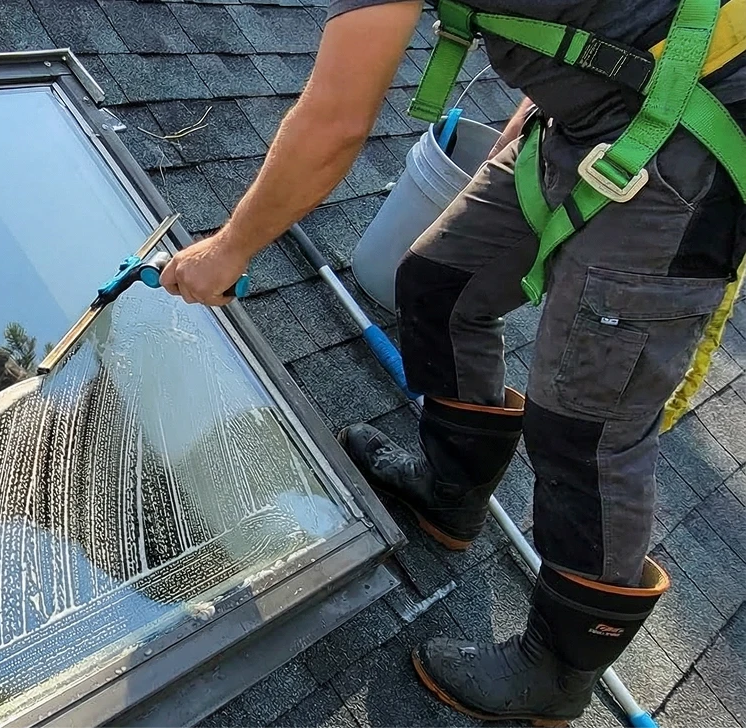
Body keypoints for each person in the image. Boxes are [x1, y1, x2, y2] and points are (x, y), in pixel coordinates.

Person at [157, 0, 746, 724]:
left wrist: (227, 250)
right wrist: (553, 92)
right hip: (591, 112)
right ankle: (450, 490)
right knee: (438, 285)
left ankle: (556, 675)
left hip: (688, 149)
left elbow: (335, 122)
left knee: (586, 431)